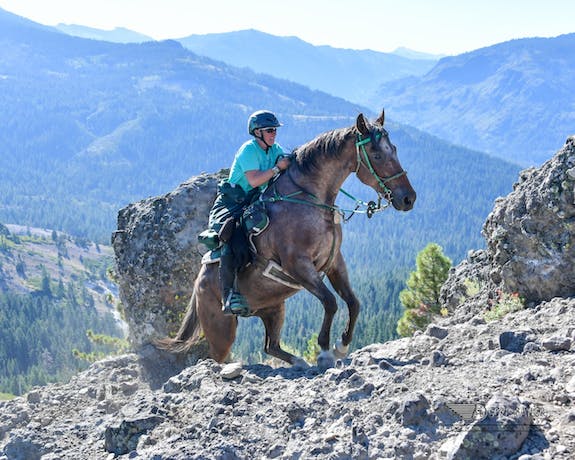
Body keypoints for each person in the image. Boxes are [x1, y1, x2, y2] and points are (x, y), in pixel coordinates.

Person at [210, 110, 291, 315]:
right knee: (233, 239)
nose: (274, 134)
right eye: (270, 130)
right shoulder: (248, 150)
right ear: (257, 132)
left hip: (254, 202)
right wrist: (276, 169)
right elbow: (254, 180)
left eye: (275, 130)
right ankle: (228, 297)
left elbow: (286, 161)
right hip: (232, 204)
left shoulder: (274, 149)